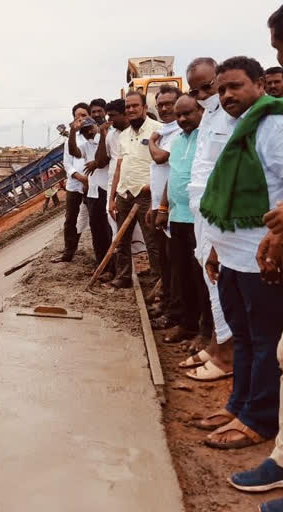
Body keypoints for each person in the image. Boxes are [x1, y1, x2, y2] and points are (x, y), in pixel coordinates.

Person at [200, 56, 283, 451]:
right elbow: (224, 194)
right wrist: (216, 245)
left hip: (262, 258)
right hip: (232, 255)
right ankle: (239, 404)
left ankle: (260, 418)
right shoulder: (236, 128)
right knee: (244, 338)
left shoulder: (272, 125)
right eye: (221, 90)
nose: (227, 95)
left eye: (235, 86)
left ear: (259, 84)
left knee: (265, 340)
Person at [181, 57, 235, 389]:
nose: (203, 94)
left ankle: (225, 356)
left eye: (207, 86)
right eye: (196, 90)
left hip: (219, 209)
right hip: (200, 206)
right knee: (207, 273)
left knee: (219, 281)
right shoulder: (209, 116)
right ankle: (216, 344)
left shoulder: (232, 117)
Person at [155, 95, 213, 347]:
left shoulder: (208, 139)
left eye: (187, 113)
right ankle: (187, 325)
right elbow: (173, 175)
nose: (181, 119)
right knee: (182, 275)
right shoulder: (177, 141)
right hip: (177, 217)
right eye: (179, 115)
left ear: (201, 110)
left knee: (203, 277)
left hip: (200, 219)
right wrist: (163, 206)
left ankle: (207, 332)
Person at [107, 91, 162, 289]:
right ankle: (123, 277)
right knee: (121, 239)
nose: (130, 110)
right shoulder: (123, 136)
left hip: (146, 194)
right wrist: (112, 198)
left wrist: (154, 188)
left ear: (144, 108)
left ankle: (157, 280)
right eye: (127, 107)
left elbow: (165, 165)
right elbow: (119, 168)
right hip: (124, 193)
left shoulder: (158, 130)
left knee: (152, 241)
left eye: (134, 106)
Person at [146, 85, 183, 329]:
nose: (165, 108)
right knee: (166, 264)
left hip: (173, 208)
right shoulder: (165, 131)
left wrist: (151, 142)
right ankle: (167, 302)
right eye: (160, 104)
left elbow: (160, 158)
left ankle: (176, 312)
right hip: (160, 205)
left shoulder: (179, 133)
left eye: (170, 103)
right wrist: (154, 205)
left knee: (178, 264)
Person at [52, 103, 91, 263]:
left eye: (83, 115)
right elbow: (67, 163)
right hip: (75, 184)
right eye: (77, 116)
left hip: (92, 185)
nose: (80, 119)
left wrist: (89, 180)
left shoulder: (94, 135)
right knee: (70, 219)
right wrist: (79, 177)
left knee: (96, 219)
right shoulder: (71, 139)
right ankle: (68, 252)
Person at [75, 117, 113, 278]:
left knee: (108, 231)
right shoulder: (85, 145)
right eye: (84, 131)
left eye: (89, 129)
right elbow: (73, 152)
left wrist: (95, 163)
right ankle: (101, 266)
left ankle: (111, 268)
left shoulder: (107, 139)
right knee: (96, 231)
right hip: (92, 191)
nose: (87, 133)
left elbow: (103, 161)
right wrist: (71, 132)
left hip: (106, 190)